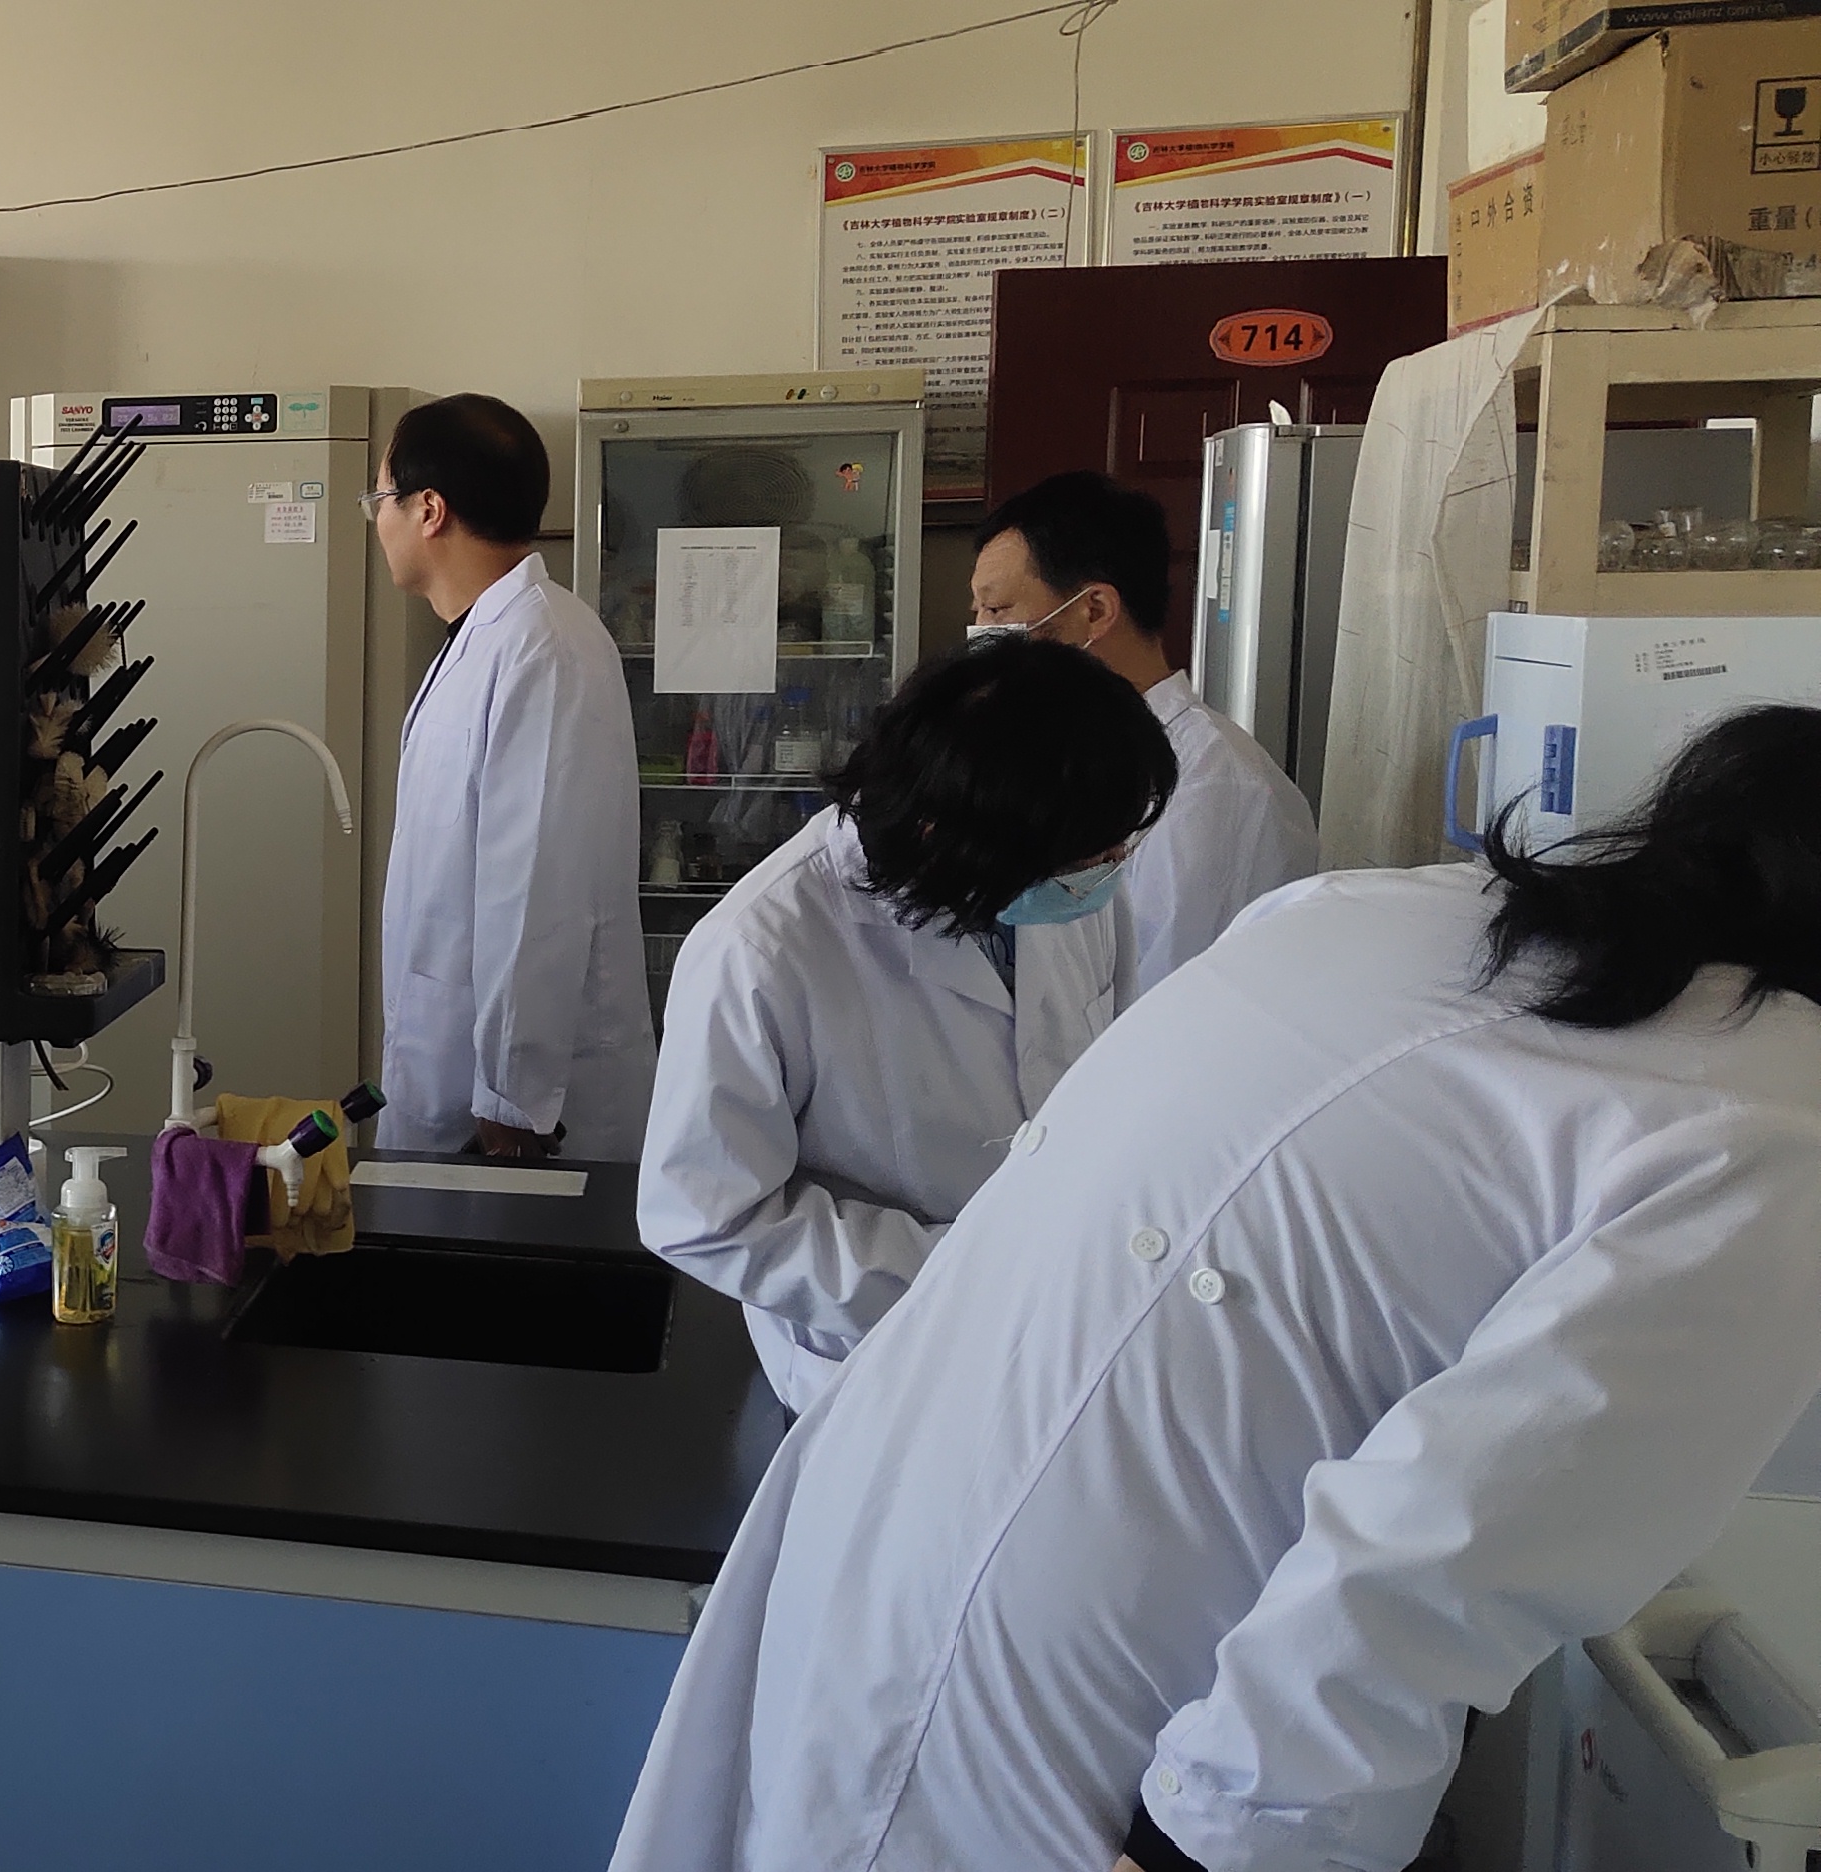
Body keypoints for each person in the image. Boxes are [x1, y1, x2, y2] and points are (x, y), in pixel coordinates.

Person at [608, 707, 1821, 1872]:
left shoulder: (1375, 910)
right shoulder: (1767, 1127)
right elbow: (1448, 1553)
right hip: (1085, 1655)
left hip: (896, 1527)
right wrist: (1213, 1846)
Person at [634, 634, 1174, 1414]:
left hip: (1064, 1324)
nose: (1110, 866)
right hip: (875, 1362)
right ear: (948, 838)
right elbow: (706, 1215)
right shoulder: (761, 951)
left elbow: (1109, 1068)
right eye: (1087, 856)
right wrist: (969, 1269)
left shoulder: (1064, 875)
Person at [367, 393, 654, 1161]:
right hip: (455, 1070)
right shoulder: (484, 640)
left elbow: (536, 888)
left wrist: (510, 1096)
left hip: (521, 1112)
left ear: (429, 510)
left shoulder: (543, 646)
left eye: (380, 498)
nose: (377, 520)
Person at [971, 469, 1317, 993]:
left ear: (1094, 611)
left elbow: (1166, 1003)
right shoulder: (1069, 760)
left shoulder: (1213, 788)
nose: (981, 632)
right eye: (978, 611)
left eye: (996, 609)